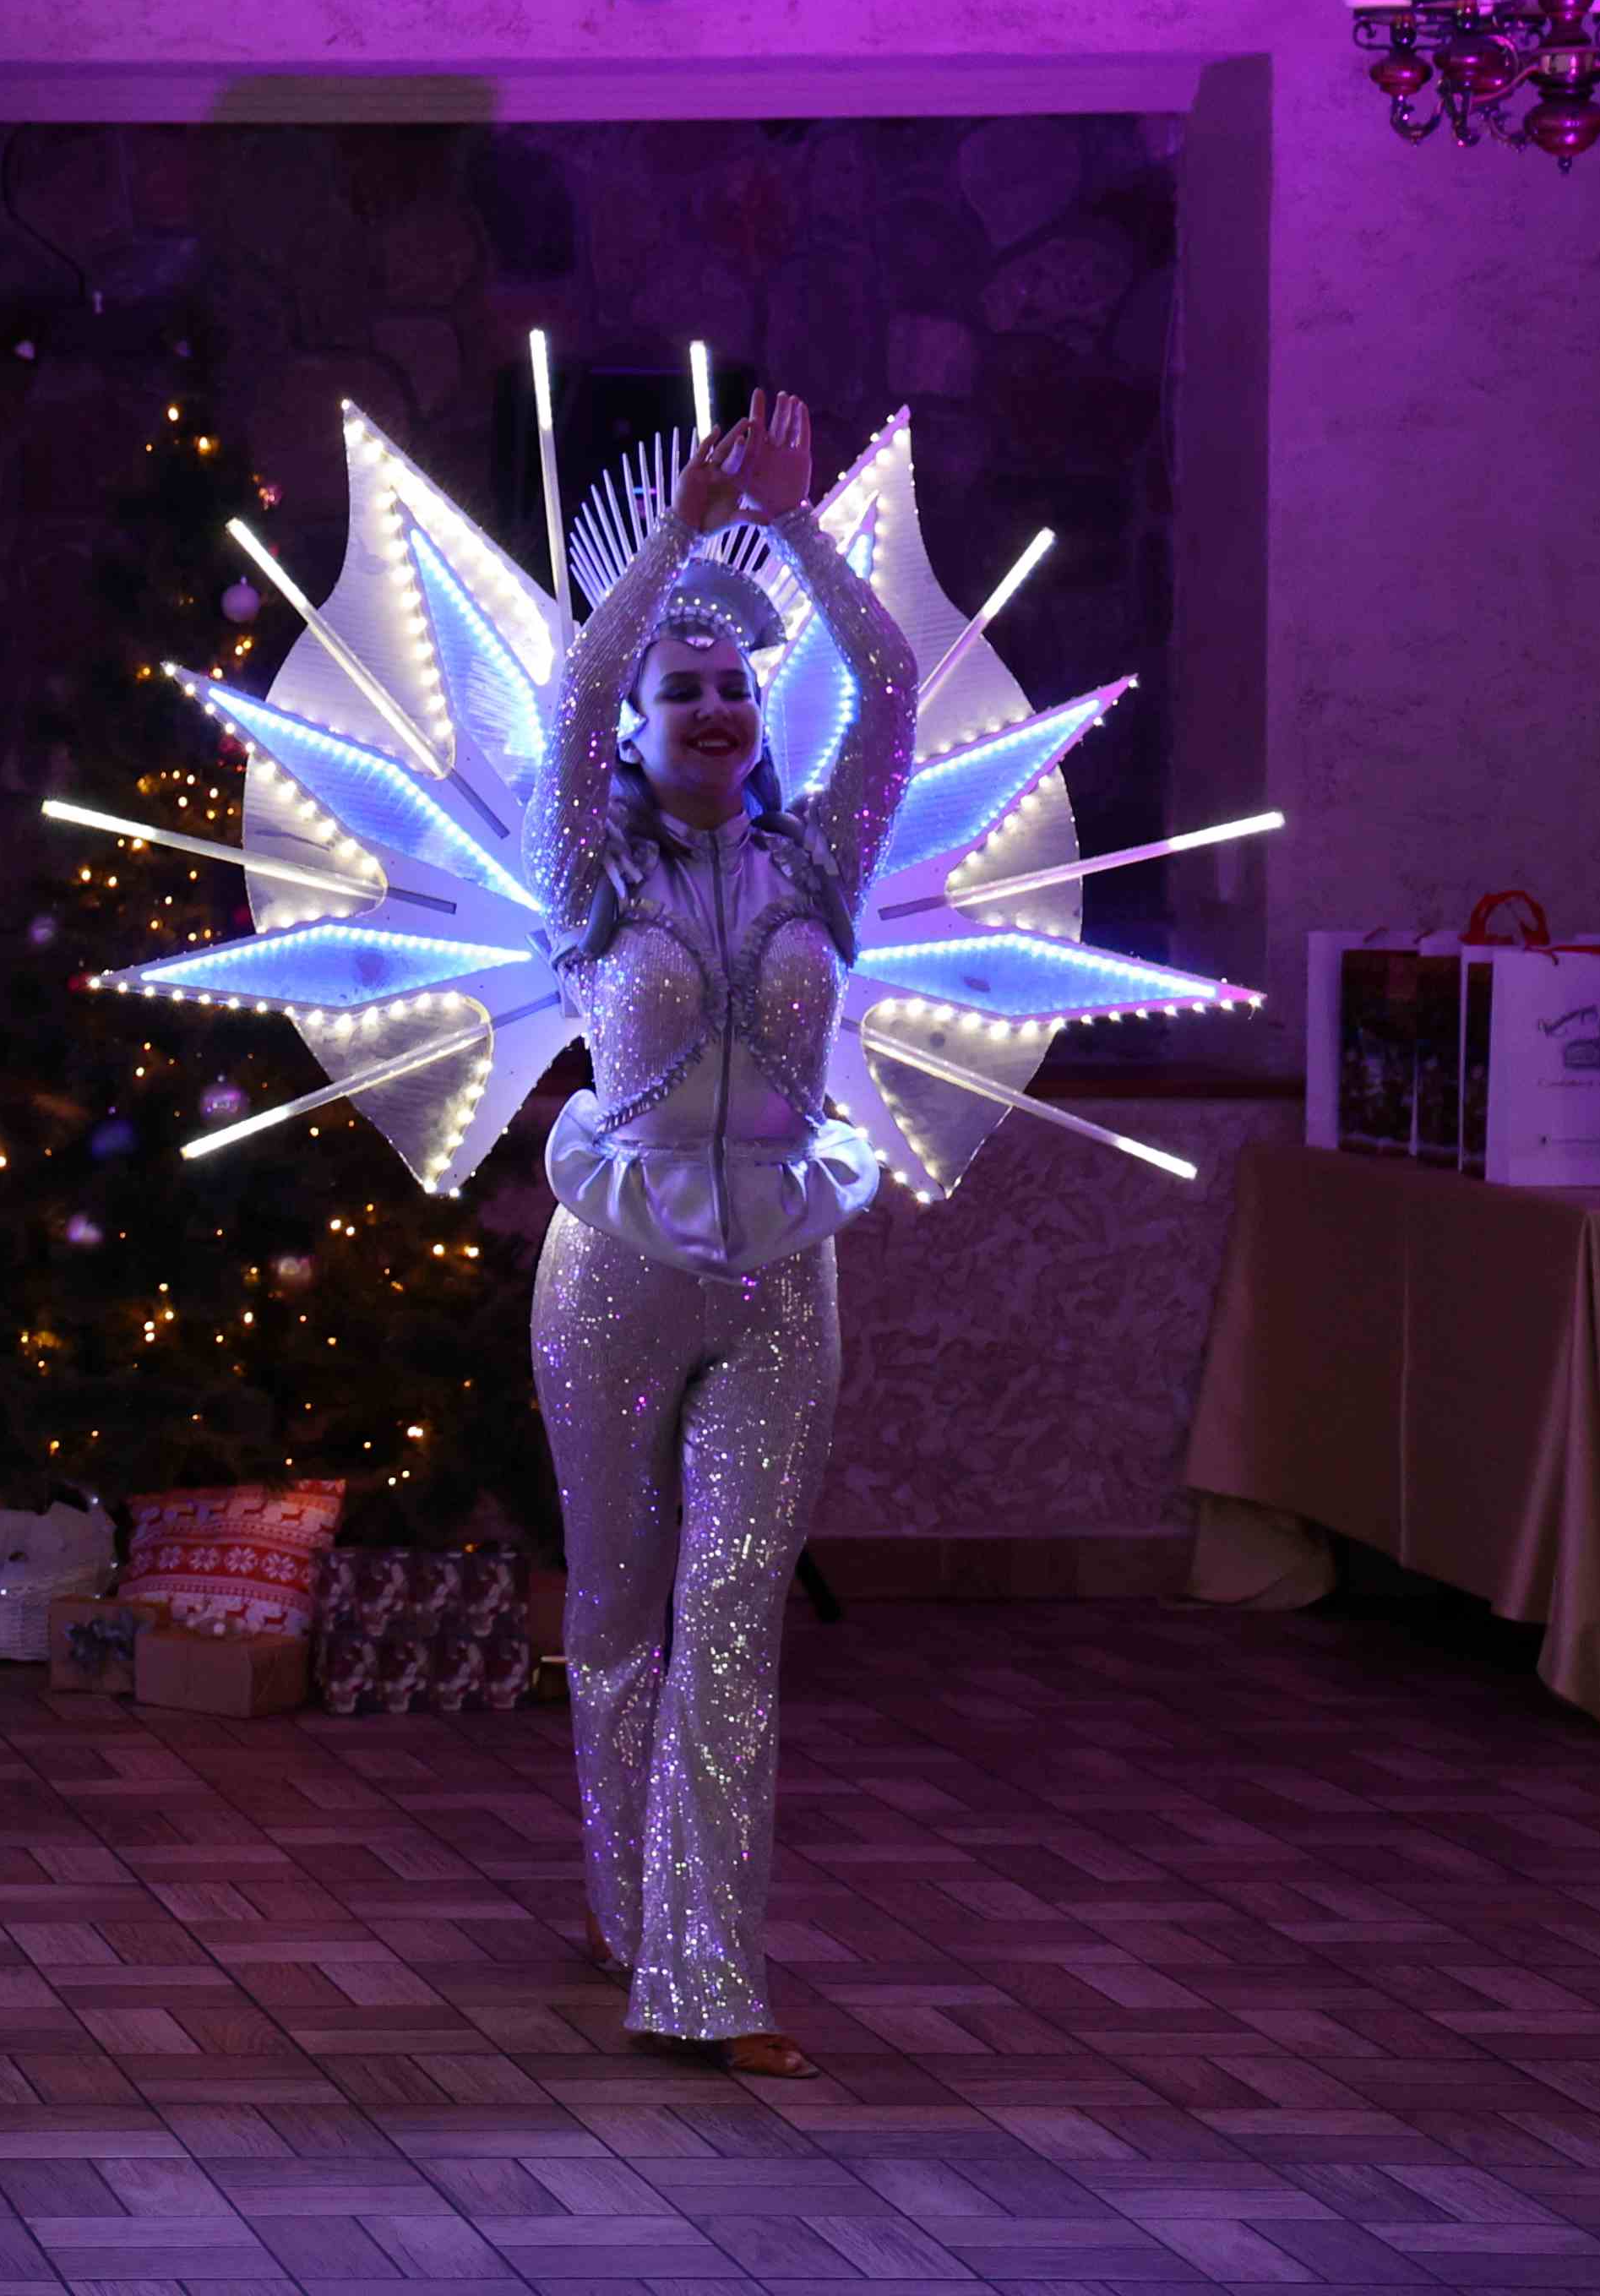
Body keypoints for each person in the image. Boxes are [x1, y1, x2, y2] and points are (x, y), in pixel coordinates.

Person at [531, 391, 911, 2080]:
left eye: (733, 688)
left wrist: (797, 526)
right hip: (614, 1274)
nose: (711, 708)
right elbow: (575, 692)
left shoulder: (819, 859)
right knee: (618, 1611)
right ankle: (627, 1899)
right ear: (635, 725)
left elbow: (886, 685)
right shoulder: (586, 865)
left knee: (736, 1616)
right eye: (679, 689)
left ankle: (705, 1977)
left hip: (781, 1279)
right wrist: (680, 541)